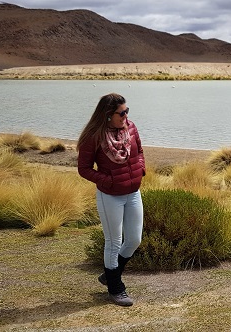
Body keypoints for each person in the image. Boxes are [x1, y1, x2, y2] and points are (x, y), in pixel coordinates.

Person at [77, 93, 145, 307]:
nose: (125, 115)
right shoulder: (94, 136)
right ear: (107, 115)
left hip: (133, 192)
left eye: (127, 111)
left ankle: (109, 275)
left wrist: (141, 168)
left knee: (134, 240)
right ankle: (116, 289)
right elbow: (84, 169)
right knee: (114, 242)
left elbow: (140, 150)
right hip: (110, 196)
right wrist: (107, 181)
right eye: (121, 113)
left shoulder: (131, 127)